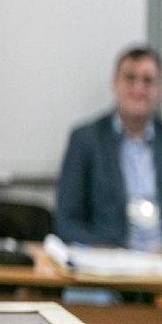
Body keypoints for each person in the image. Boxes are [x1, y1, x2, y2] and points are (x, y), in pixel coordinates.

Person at [56, 46, 162, 252]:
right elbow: (67, 222)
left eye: (148, 81)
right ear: (115, 83)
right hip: (108, 259)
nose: (138, 89)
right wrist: (107, 251)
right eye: (130, 78)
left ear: (158, 89)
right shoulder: (85, 139)